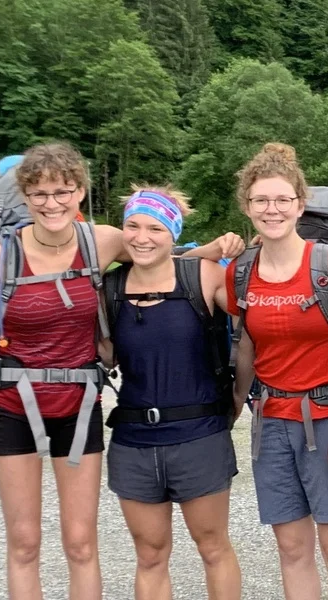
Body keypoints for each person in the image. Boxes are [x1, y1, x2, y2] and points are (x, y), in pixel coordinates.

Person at [0, 141, 236, 599]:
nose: (52, 203)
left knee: (81, 543)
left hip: (78, 406)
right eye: (40, 194)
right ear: (25, 196)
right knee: (24, 542)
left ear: (80, 193)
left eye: (63, 191)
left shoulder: (101, 240)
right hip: (11, 404)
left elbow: (157, 249)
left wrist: (212, 249)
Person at [225, 143, 328, 600]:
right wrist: (232, 410)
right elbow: (246, 348)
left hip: (327, 420)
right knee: (290, 548)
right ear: (247, 207)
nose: (272, 209)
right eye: (261, 200)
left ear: (299, 204)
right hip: (271, 423)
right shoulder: (242, 272)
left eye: (282, 199)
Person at [103, 187, 243, 600]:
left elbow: (256, 329)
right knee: (149, 555)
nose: (142, 236)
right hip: (133, 442)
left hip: (199, 434)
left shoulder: (203, 276)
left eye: (156, 228)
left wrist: (240, 395)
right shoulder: (109, 290)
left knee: (213, 547)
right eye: (133, 225)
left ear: (174, 235)